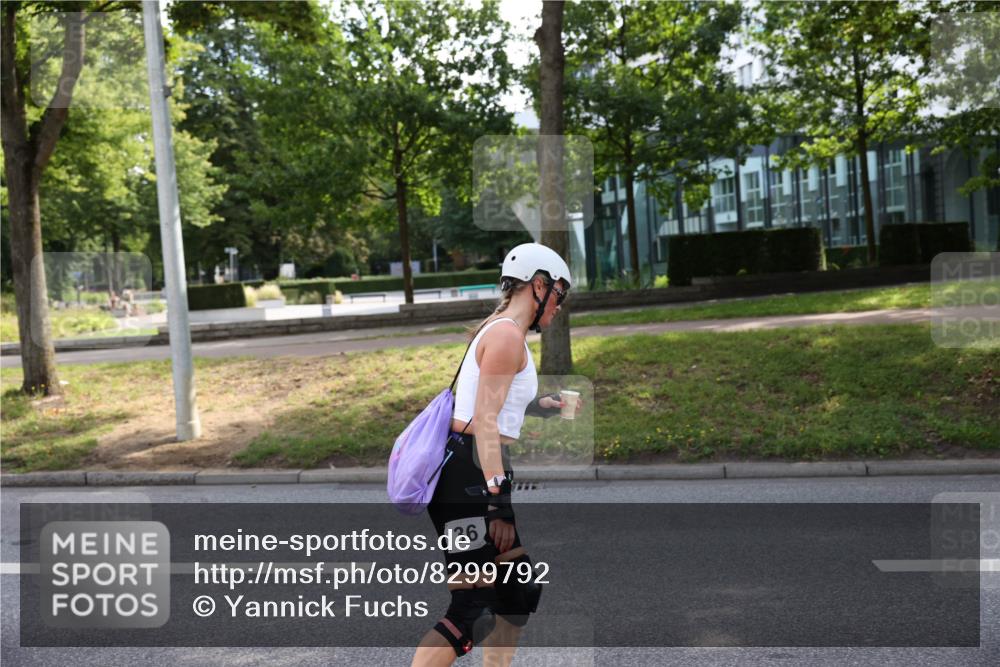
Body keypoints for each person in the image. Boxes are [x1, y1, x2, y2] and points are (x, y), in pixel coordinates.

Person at [411, 242, 583, 667]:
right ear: (539, 285)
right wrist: (497, 503)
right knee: (472, 611)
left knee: (516, 593)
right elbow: (485, 422)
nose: (560, 305)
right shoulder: (506, 335)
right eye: (560, 293)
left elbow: (485, 405)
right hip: (469, 480)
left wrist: (539, 405)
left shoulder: (503, 328)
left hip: (474, 469)